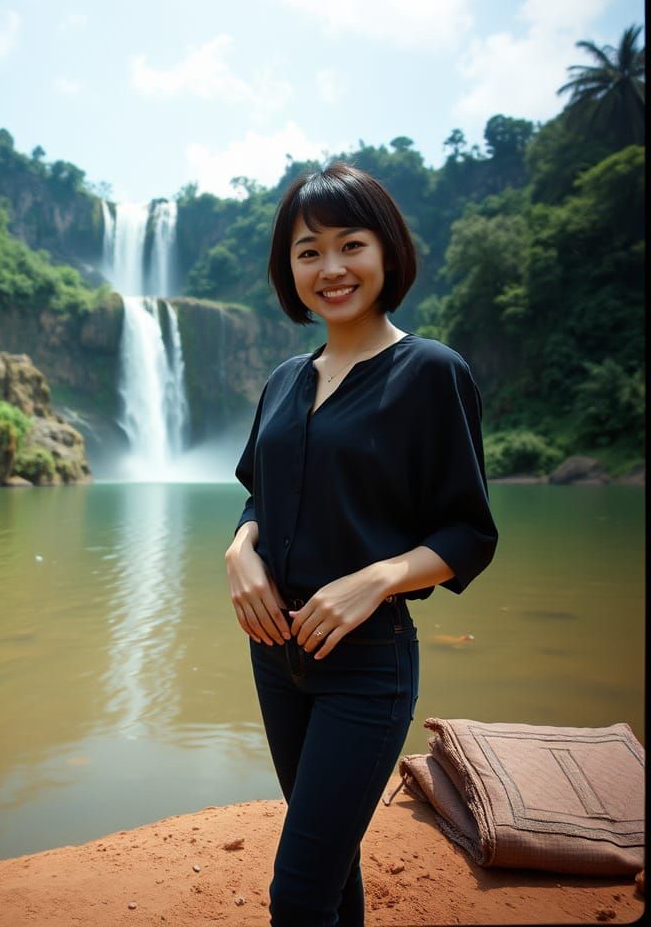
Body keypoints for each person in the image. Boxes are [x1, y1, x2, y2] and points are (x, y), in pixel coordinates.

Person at [225, 162, 497, 927]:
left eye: (351, 244)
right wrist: (239, 549)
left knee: (297, 892)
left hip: (365, 667)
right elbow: (260, 493)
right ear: (289, 268)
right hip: (275, 657)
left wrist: (372, 579)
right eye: (308, 251)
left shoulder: (430, 373)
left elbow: (469, 533)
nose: (331, 268)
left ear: (387, 253)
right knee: (331, 866)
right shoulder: (284, 379)